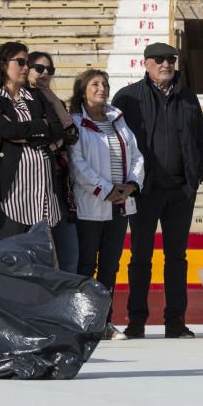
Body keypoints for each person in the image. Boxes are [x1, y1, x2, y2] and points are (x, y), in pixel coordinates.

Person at [111, 42, 203, 339]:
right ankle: (136, 320)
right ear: (146, 64)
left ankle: (175, 321)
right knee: (140, 257)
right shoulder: (128, 97)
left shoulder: (188, 97)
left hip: (180, 191)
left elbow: (201, 141)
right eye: (159, 60)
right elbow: (117, 142)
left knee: (177, 258)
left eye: (170, 59)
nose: (166, 64)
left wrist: (194, 180)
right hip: (144, 191)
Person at [68, 69, 145, 340]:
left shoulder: (117, 120)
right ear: (83, 90)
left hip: (119, 205)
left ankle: (104, 322)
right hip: (91, 205)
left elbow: (136, 155)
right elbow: (78, 165)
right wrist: (106, 189)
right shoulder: (76, 122)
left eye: (105, 84)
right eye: (95, 84)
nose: (102, 88)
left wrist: (131, 185)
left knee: (110, 266)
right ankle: (83, 323)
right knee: (86, 265)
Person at [0, 41, 65, 243]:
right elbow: (6, 130)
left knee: (40, 257)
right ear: (2, 64)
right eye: (20, 62)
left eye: (27, 63)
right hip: (11, 193)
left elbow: (56, 129)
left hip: (41, 191)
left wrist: (24, 131)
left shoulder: (36, 97)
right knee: (10, 257)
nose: (26, 67)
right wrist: (40, 125)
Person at [27, 50, 80, 273]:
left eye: (50, 70)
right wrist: (56, 140)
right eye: (39, 68)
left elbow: (72, 134)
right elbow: (33, 137)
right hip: (32, 186)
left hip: (59, 184)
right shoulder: (21, 100)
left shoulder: (53, 99)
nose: (45, 73)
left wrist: (53, 144)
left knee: (69, 257)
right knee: (37, 258)